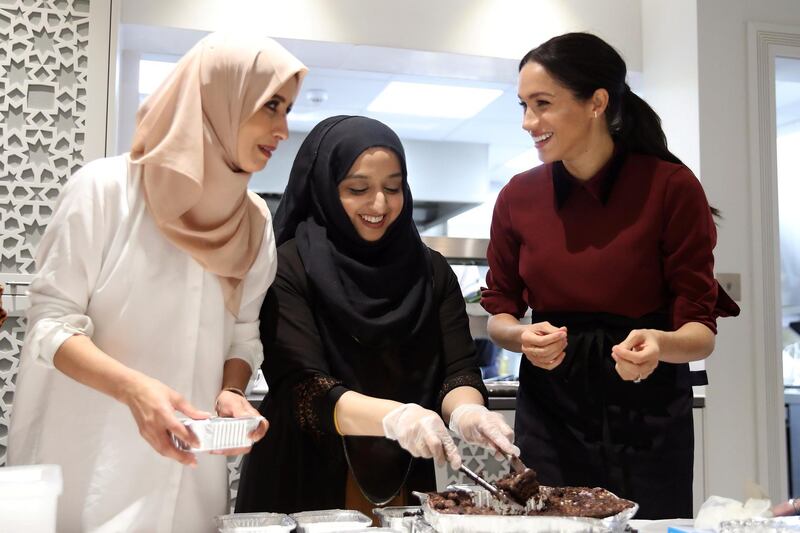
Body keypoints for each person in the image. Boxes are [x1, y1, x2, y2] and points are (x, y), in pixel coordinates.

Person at [8, 32, 306, 532]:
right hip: (89, 465)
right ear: (218, 99)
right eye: (270, 106)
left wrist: (231, 393)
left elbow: (242, 334)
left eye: (287, 110)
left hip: (189, 476)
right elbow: (49, 327)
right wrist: (134, 390)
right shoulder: (105, 191)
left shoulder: (253, 221)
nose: (283, 128)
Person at [481, 32, 740, 519]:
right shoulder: (518, 196)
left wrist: (661, 345)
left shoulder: (671, 188)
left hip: (648, 406)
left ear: (597, 102)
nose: (528, 122)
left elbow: (700, 332)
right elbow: (499, 312)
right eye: (523, 105)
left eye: (542, 104)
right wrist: (519, 335)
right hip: (550, 407)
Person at [235, 115, 518, 517]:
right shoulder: (289, 267)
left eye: (393, 187)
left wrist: (468, 410)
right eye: (358, 189)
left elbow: (459, 372)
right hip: (302, 475)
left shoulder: (431, 272)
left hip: (401, 473)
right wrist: (397, 418)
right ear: (325, 190)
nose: (380, 204)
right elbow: (306, 389)